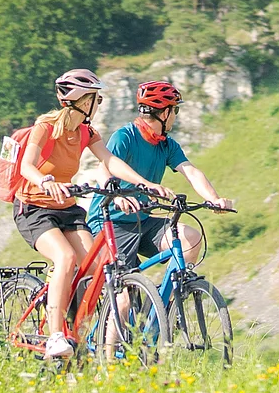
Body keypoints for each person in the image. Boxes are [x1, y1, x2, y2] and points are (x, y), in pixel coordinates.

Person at [15, 68, 168, 360]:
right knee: (66, 257)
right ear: (81, 101)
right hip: (34, 208)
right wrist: (45, 181)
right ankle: (56, 336)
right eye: (95, 100)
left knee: (95, 268)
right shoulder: (45, 127)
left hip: (67, 208)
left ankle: (76, 329)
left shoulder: (87, 132)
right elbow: (26, 167)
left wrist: (144, 184)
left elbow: (110, 161)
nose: (98, 105)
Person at [85, 80, 233, 270]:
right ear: (165, 113)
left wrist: (214, 199)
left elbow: (191, 171)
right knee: (124, 300)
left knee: (191, 239)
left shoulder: (167, 144)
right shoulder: (125, 137)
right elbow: (104, 169)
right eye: (175, 111)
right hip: (110, 225)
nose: (175, 117)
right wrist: (117, 195)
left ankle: (171, 297)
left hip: (142, 222)